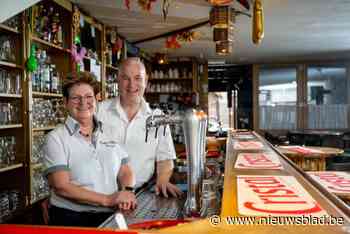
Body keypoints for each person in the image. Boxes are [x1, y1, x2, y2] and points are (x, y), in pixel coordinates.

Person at [43, 72, 136, 227]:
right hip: (71, 219)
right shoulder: (55, 138)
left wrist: (127, 191)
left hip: (110, 215)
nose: (83, 102)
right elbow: (61, 186)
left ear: (96, 99)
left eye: (88, 97)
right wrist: (108, 199)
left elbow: (125, 170)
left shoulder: (109, 132)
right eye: (75, 98)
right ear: (65, 102)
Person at [97, 57, 182, 198]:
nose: (131, 85)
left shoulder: (158, 117)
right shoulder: (98, 111)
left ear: (146, 81)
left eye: (138, 78)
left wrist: (162, 180)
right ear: (117, 80)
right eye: (126, 78)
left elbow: (165, 159)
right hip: (101, 196)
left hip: (140, 195)